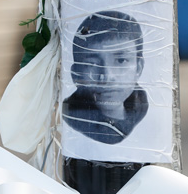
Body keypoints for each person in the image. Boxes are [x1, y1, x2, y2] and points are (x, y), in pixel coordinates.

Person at [63, 10, 148, 144]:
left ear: (138, 68)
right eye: (92, 63)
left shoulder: (147, 116)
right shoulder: (70, 122)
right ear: (76, 74)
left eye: (121, 61)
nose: (107, 77)